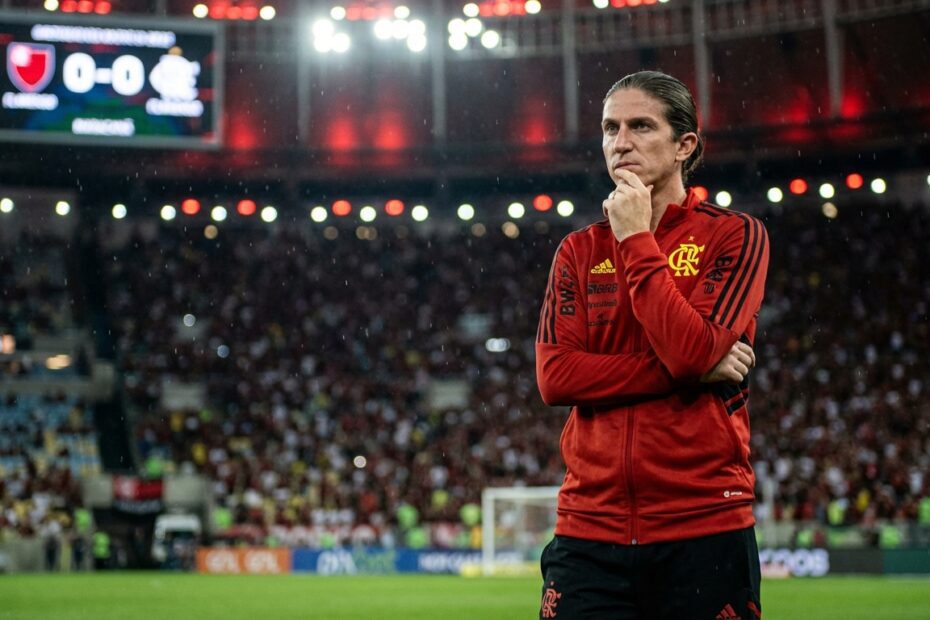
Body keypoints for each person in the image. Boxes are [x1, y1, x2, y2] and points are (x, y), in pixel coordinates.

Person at [535, 70, 769, 619]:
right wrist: (688, 369)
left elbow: (690, 352)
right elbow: (557, 379)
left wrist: (637, 239)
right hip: (589, 530)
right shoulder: (576, 250)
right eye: (609, 128)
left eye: (641, 126)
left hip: (705, 525)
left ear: (685, 144)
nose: (621, 142)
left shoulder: (736, 235)